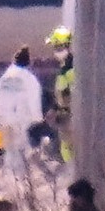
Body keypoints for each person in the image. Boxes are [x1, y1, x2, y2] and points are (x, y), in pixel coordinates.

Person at [0, 47, 44, 181]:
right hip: (21, 120)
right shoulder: (29, 79)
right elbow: (34, 100)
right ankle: (20, 181)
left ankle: (10, 178)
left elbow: (0, 98)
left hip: (5, 119)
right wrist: (37, 119)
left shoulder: (5, 77)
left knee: (10, 150)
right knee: (21, 151)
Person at [41, 26, 75, 158]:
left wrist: (60, 111)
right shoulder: (65, 68)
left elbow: (70, 96)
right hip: (67, 116)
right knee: (66, 146)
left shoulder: (70, 70)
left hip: (71, 118)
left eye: (57, 47)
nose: (55, 51)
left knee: (70, 147)